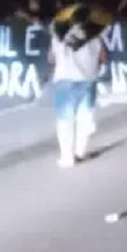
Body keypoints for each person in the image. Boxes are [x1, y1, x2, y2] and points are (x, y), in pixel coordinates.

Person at [49, 13, 108, 168]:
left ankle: (67, 157)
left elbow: (52, 59)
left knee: (65, 120)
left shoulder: (58, 35)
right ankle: (80, 152)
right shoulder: (94, 36)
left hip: (65, 81)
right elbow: (103, 57)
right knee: (85, 117)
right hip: (88, 80)